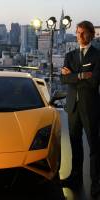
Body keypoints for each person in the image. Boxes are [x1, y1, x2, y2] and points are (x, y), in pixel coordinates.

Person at [60, 21, 100, 197]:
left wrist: (73, 76)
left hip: (90, 106)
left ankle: (96, 183)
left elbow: (94, 82)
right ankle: (74, 177)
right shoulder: (70, 55)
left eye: (83, 33)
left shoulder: (97, 56)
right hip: (72, 107)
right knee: (75, 144)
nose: (79, 36)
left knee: (94, 147)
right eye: (77, 33)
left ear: (91, 34)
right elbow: (63, 80)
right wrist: (82, 74)